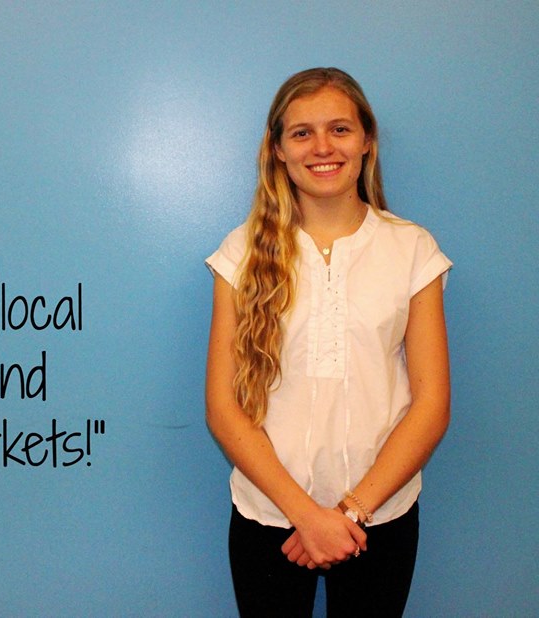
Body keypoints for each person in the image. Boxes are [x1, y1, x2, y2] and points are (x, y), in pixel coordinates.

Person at [204, 67, 451, 617]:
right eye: (302, 133)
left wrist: (350, 512)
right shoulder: (240, 252)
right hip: (270, 517)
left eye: (339, 129)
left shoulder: (413, 250)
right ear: (278, 150)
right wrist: (307, 516)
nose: (322, 147)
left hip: (379, 516)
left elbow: (431, 405)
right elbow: (223, 406)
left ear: (367, 141)